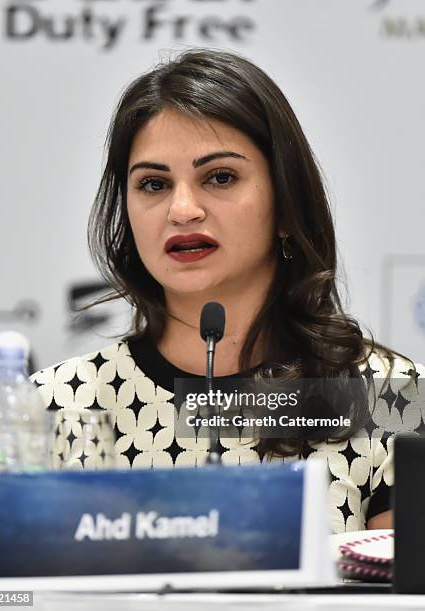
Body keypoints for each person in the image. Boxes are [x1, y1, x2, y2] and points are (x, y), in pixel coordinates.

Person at [32, 48, 424, 534]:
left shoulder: (392, 398)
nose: (182, 209)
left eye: (220, 177)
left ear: (285, 205)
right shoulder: (52, 406)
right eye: (153, 184)